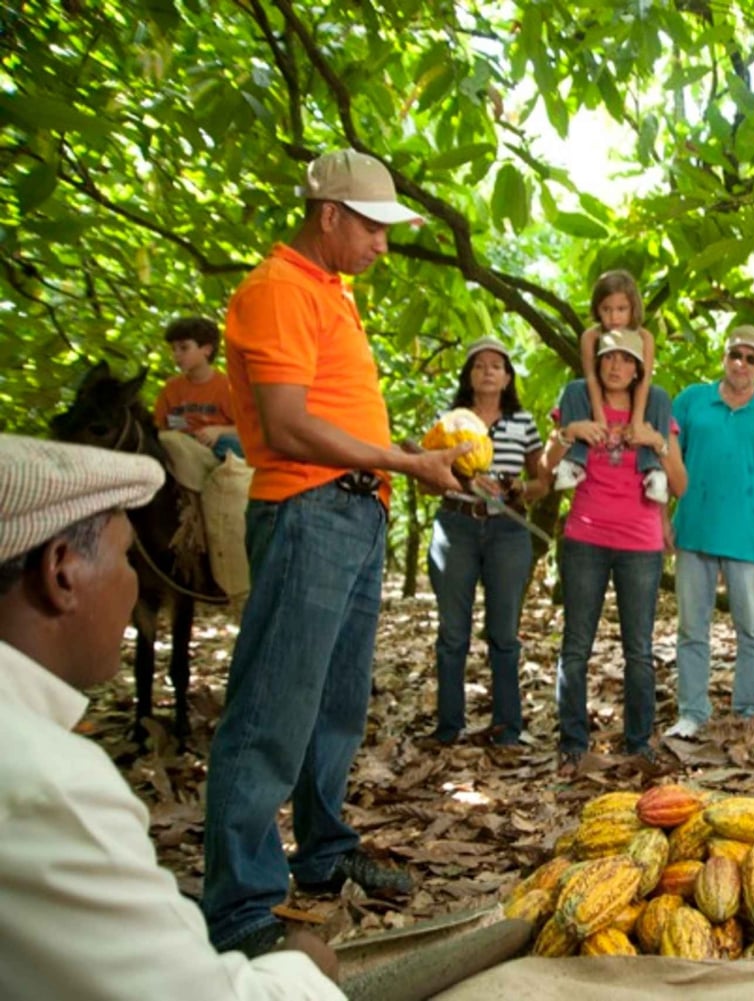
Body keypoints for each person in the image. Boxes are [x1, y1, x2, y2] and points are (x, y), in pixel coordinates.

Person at [201, 149, 468, 958]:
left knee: (337, 701)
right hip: (307, 508)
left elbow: (334, 410)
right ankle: (242, 896)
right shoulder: (277, 289)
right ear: (329, 216)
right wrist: (400, 461)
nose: (382, 245)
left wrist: (403, 463)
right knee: (273, 702)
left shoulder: (331, 291)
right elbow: (284, 426)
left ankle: (322, 850)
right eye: (373, 228)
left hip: (353, 509)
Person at [0, 434, 341, 999]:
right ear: (62, 571)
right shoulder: (51, 786)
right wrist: (303, 970)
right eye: (128, 557)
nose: (135, 581)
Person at [548, 329, 687, 769]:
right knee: (576, 645)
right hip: (585, 536)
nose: (616, 367)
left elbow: (680, 484)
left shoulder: (656, 410)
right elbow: (546, 465)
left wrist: (657, 443)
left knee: (639, 650)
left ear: (637, 369)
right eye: (609, 358)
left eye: (626, 360)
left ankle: (637, 741)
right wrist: (565, 433)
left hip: (640, 543)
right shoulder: (579, 402)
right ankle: (572, 740)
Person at [665, 325, 754, 739]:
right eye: (735, 355)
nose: (741, 364)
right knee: (692, 628)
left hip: (749, 539)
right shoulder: (691, 401)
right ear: (724, 357)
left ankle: (749, 710)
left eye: (751, 358)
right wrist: (660, 516)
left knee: (753, 630)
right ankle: (692, 711)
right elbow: (665, 460)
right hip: (693, 531)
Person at [427, 336, 545, 746]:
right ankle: (448, 728)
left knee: (503, 633)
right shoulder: (449, 420)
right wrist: (461, 479)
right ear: (469, 376)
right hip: (456, 525)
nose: (488, 371)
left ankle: (507, 727)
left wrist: (514, 488)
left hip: (507, 531)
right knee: (452, 633)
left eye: (497, 365)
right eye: (479, 365)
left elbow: (542, 483)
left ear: (509, 376)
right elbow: (427, 480)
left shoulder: (523, 423)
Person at [552, 271, 672, 504]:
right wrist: (599, 418)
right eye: (606, 309)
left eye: (621, 309)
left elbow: (644, 380)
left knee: (659, 395)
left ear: (633, 309)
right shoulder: (591, 336)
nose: (614, 317)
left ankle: (653, 469)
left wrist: (637, 423)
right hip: (598, 393)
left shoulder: (644, 337)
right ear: (597, 309)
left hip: (634, 393)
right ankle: (575, 461)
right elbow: (592, 378)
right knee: (576, 388)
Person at [154, 315, 244, 460]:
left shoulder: (227, 387)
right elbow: (162, 425)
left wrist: (218, 430)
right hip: (181, 445)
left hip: (216, 446)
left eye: (184, 348)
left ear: (207, 350)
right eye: (174, 349)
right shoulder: (171, 388)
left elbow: (249, 429)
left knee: (232, 444)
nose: (177, 355)